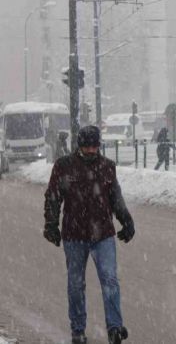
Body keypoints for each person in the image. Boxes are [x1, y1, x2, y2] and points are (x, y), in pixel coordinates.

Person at [43, 125, 134, 344]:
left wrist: (126, 221)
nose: (91, 151)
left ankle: (114, 327)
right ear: (80, 146)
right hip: (74, 235)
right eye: (87, 147)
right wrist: (51, 225)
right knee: (76, 284)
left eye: (94, 146)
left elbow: (116, 198)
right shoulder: (64, 166)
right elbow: (53, 197)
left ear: (99, 146)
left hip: (103, 234)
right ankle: (78, 329)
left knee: (110, 280)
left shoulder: (107, 167)